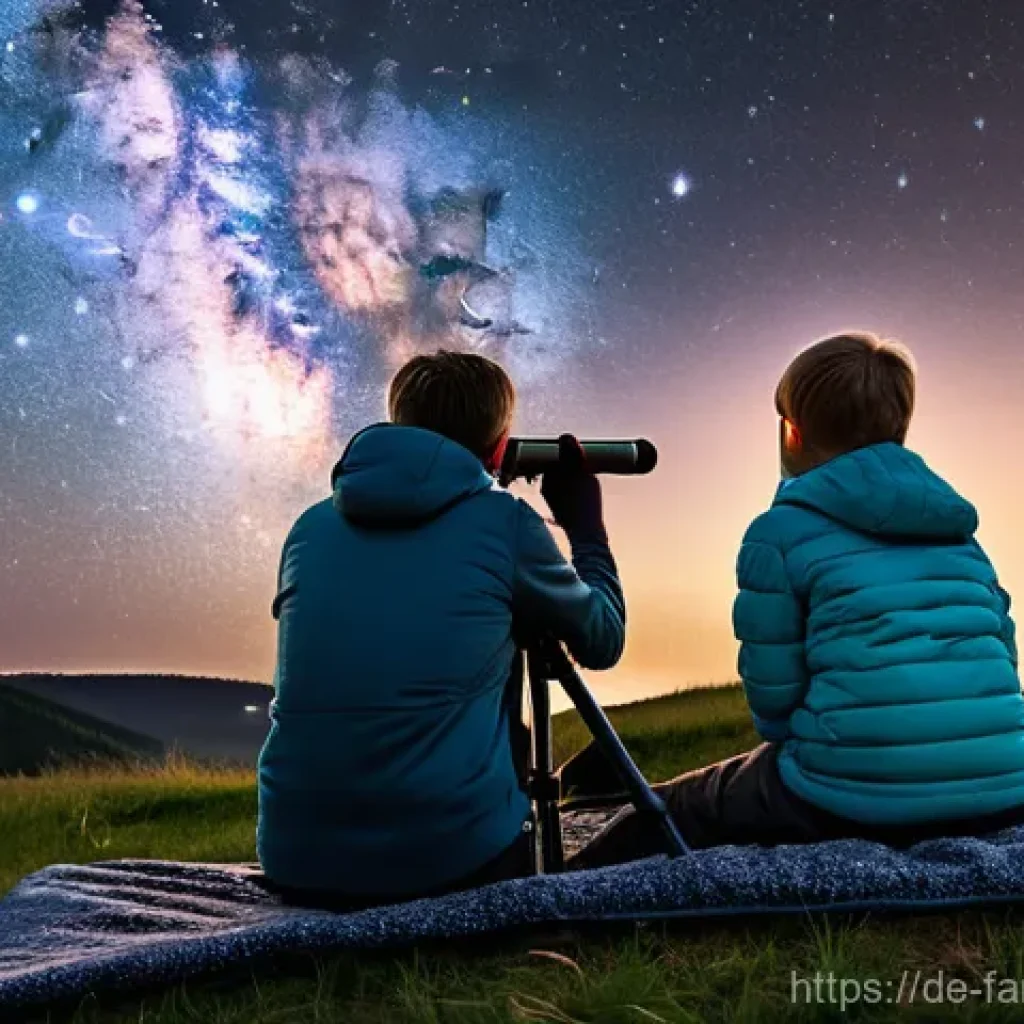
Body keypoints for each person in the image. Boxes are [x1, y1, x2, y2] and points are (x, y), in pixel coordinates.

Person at [570, 332, 1022, 869]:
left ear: (794, 433)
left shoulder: (780, 532)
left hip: (847, 792)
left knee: (670, 808)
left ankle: (555, 888)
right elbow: (1005, 655)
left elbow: (774, 697)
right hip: (1004, 789)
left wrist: (821, 755)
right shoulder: (960, 533)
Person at [257, 349, 625, 907]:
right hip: (450, 860)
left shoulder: (307, 529)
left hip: (296, 857)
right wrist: (587, 527)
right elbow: (602, 641)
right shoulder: (504, 523)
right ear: (500, 447)